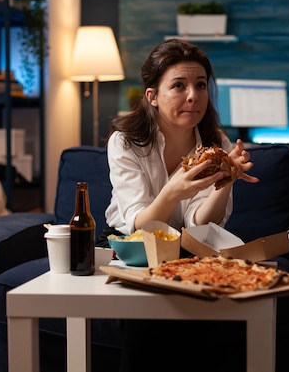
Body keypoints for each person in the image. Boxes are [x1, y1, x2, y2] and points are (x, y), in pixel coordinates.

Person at [103, 38, 259, 371]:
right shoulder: (125, 142)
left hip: (188, 249)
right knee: (151, 310)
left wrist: (225, 182)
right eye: (179, 85)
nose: (194, 95)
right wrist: (173, 190)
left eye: (200, 85)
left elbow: (201, 224)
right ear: (153, 97)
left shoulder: (216, 143)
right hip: (132, 249)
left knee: (209, 302)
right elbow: (138, 224)